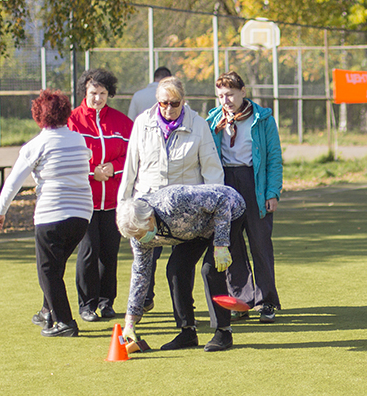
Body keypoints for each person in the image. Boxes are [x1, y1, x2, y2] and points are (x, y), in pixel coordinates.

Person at [119, 75, 223, 341]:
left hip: (187, 211)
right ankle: (134, 320)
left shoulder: (199, 125)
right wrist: (123, 207)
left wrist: (215, 212)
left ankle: (189, 326)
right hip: (146, 212)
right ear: (157, 100)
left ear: (183, 101)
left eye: (174, 103)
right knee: (143, 266)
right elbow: (130, 168)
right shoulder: (142, 123)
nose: (168, 109)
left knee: (180, 268)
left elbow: (212, 171)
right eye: (163, 103)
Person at [0, 90, 93, 337]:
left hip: (52, 213)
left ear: (39, 115)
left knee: (47, 270)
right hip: (82, 215)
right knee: (56, 266)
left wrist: (0, 211)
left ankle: (64, 322)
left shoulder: (36, 145)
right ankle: (47, 311)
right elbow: (87, 159)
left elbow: (13, 181)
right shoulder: (79, 140)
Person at [116, 184, 245, 352]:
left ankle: (224, 332)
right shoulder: (139, 236)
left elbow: (221, 201)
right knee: (176, 270)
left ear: (149, 219)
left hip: (228, 211)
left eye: (140, 234)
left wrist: (221, 244)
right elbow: (140, 273)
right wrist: (130, 321)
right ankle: (187, 332)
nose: (140, 239)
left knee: (210, 269)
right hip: (193, 229)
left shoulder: (173, 201)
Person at [206, 71, 283, 323]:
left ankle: (267, 301)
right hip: (225, 183)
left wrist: (272, 192)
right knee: (230, 243)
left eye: (230, 94)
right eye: (220, 96)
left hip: (254, 183)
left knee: (260, 243)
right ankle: (241, 301)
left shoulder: (263, 119)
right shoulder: (213, 120)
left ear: (243, 92)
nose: (225, 100)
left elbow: (274, 158)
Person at [68, 68, 133, 322]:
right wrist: (91, 171)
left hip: (113, 202)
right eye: (93, 93)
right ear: (84, 92)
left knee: (109, 252)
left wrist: (113, 168)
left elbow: (132, 155)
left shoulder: (121, 122)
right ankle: (87, 304)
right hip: (84, 201)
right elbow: (67, 156)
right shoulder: (72, 121)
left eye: (103, 93)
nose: (97, 98)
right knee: (88, 251)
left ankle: (107, 302)